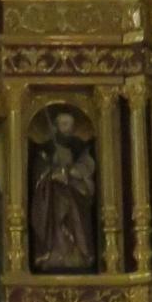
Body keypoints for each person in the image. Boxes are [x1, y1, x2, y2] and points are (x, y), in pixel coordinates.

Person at [30, 110, 97, 272]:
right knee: (55, 220)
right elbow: (40, 169)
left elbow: (86, 165)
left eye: (70, 125)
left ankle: (77, 253)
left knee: (75, 219)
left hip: (73, 191)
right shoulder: (46, 147)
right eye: (63, 125)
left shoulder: (79, 146)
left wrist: (75, 172)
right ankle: (54, 252)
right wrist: (51, 174)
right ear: (56, 126)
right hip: (53, 193)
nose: (67, 129)